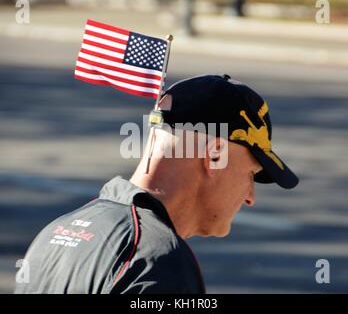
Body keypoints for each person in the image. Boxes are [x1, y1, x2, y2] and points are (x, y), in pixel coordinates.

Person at [15, 74, 299, 294]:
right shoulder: (158, 260)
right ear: (214, 156)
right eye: (251, 175)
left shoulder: (56, 231)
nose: (250, 197)